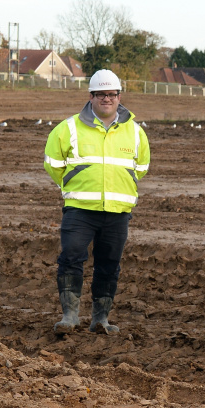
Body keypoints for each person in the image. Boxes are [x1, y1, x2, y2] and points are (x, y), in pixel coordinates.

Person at [43, 69, 150, 335]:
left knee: (109, 265)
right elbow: (53, 164)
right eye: (100, 94)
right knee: (70, 259)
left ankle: (100, 320)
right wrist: (74, 185)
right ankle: (69, 317)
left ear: (119, 96)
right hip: (79, 210)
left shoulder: (135, 132)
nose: (106, 98)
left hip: (117, 213)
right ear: (90, 96)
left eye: (111, 94)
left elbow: (142, 167)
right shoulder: (67, 128)